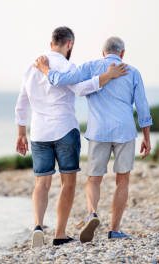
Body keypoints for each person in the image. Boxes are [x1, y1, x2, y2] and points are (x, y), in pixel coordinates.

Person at [14, 27, 128, 248]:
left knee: (42, 183)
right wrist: (107, 76)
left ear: (51, 43)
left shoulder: (32, 66)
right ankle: (59, 233)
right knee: (68, 183)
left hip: (38, 132)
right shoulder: (67, 66)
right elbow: (83, 89)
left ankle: (37, 226)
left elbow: (21, 104)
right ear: (69, 45)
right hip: (65, 129)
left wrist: (21, 133)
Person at [33, 36, 152, 243]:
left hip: (99, 131)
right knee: (122, 180)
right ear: (122, 53)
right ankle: (114, 230)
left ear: (103, 52)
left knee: (94, 179)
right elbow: (142, 106)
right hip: (125, 131)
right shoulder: (132, 72)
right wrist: (147, 137)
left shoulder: (90, 67)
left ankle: (92, 213)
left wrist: (45, 70)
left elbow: (61, 80)